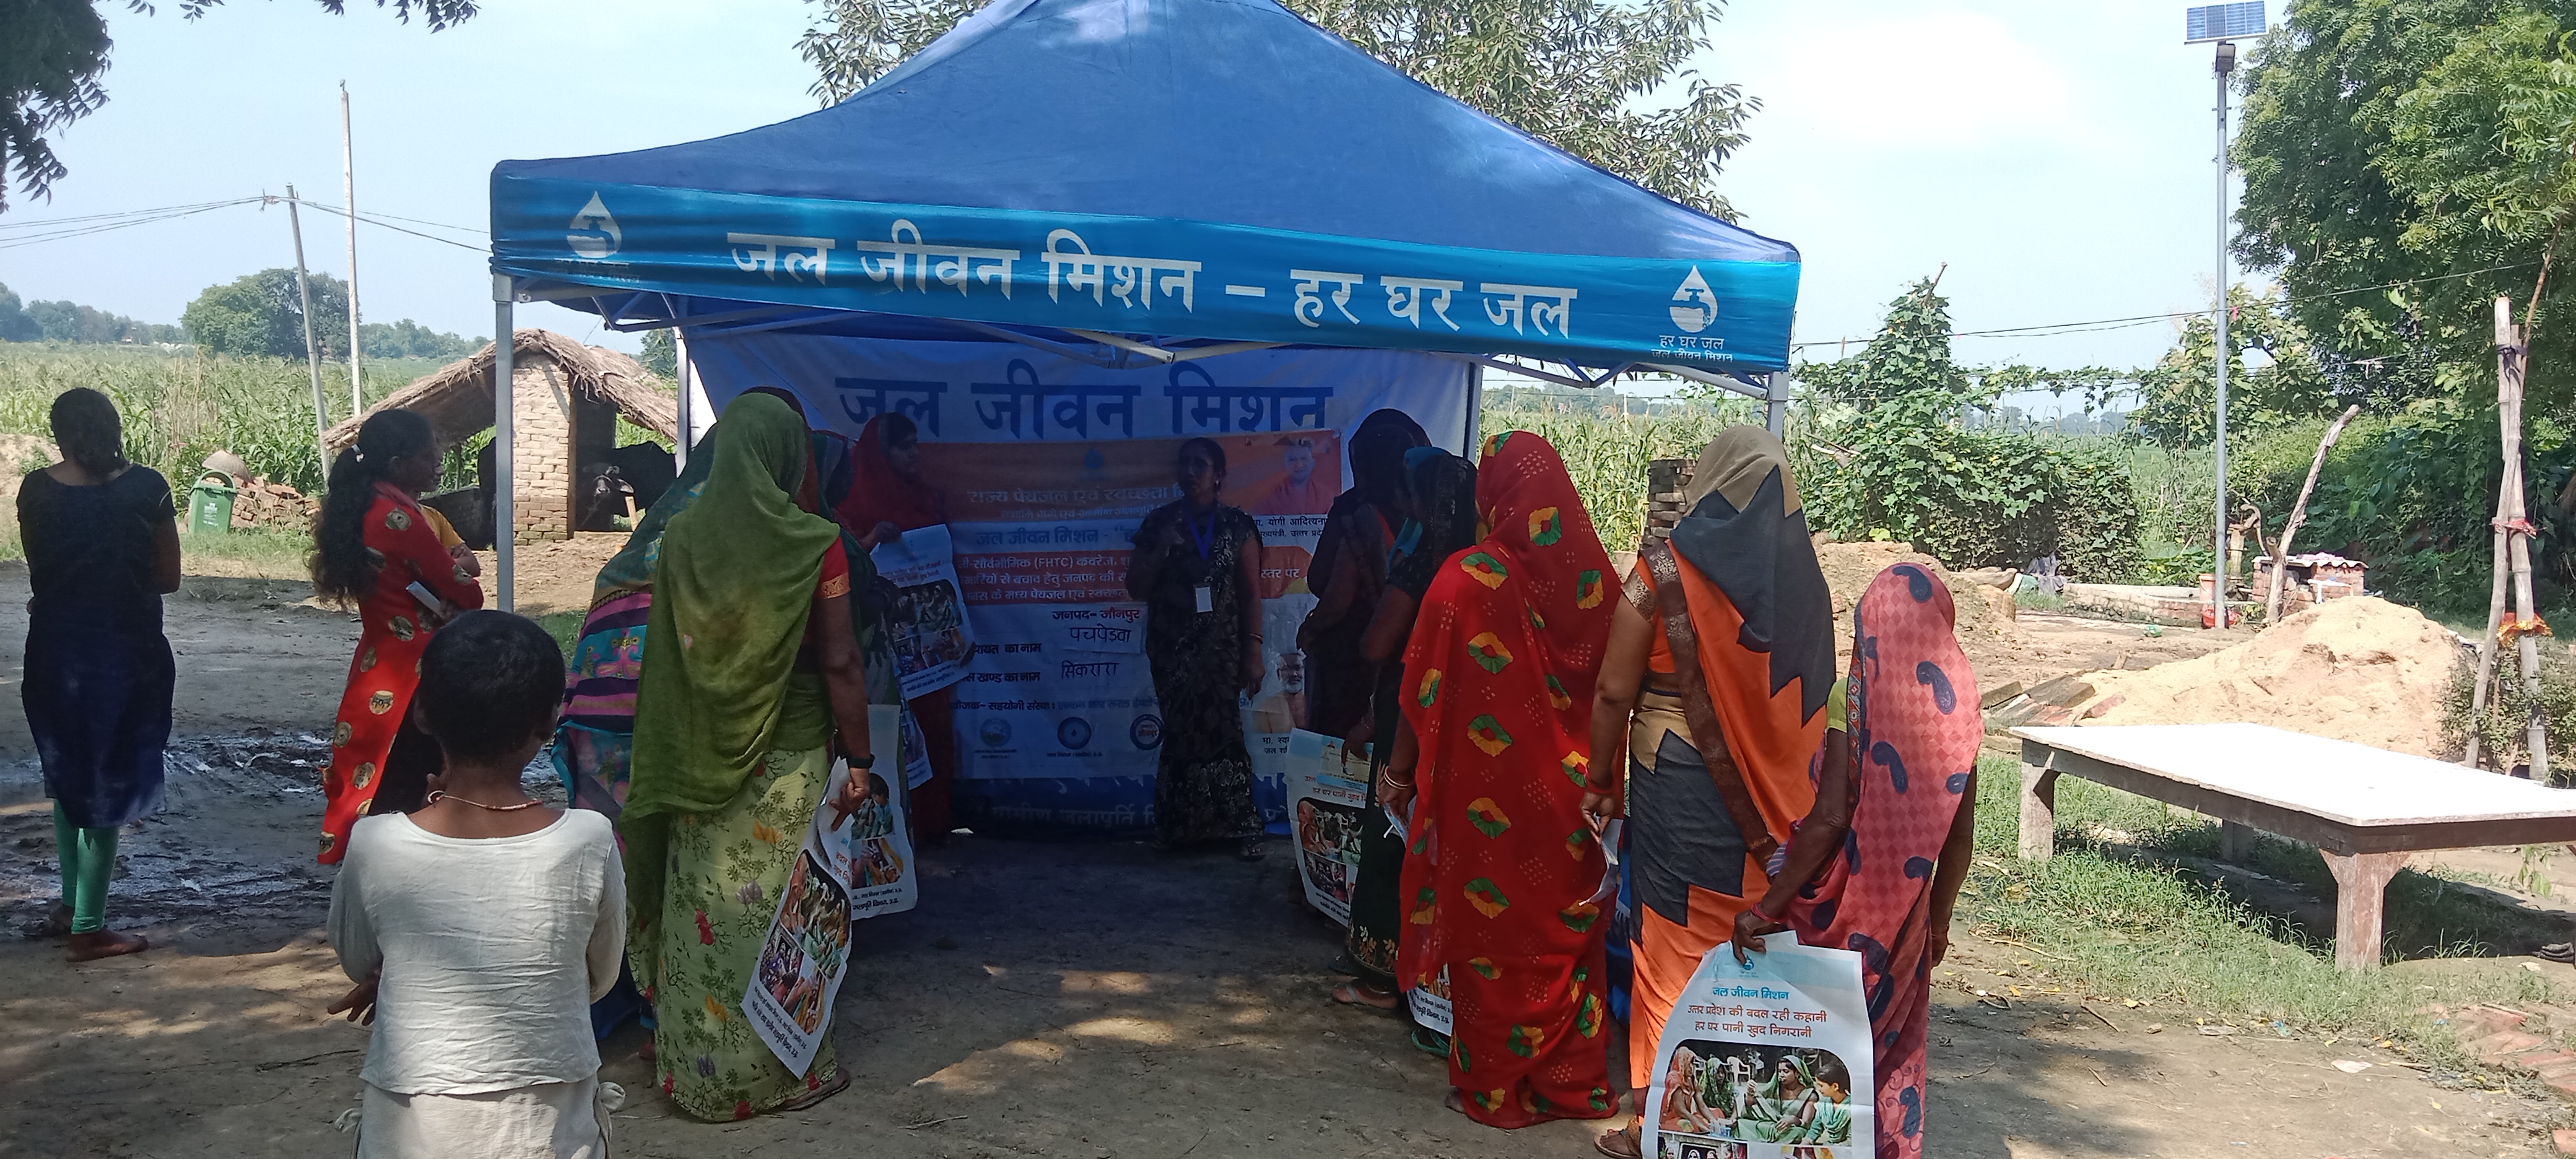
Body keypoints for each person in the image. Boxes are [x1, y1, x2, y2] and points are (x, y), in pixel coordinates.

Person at [1582, 426, 1838, 1159]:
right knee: (1754, 947)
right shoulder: (1806, 587)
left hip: (1680, 786)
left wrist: (1600, 780)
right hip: (1780, 811)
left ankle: (1659, 1124)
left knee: (1673, 944)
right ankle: (1758, 1126)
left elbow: (1612, 691)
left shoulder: (1662, 572)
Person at [620, 392, 876, 1121]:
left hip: (697, 751)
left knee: (703, 905)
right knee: (783, 910)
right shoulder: (815, 543)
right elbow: (841, 661)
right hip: (788, 755)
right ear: (788, 456)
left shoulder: (680, 537)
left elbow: (675, 656)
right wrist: (860, 761)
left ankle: (692, 1068)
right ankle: (780, 1075)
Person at [326, 610, 625, 1158]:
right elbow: (597, 978)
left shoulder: (375, 843)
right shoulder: (588, 839)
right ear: (548, 721)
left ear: (422, 711)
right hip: (547, 1134)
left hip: (411, 1132)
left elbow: (358, 959)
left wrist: (403, 974)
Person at [1385, 430, 1619, 1130]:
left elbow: (1418, 689)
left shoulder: (1464, 578)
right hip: (1577, 800)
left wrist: (1398, 774)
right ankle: (1572, 1086)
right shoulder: (1598, 586)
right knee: (1564, 940)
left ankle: (1492, 1088)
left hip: (1484, 800)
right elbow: (1618, 690)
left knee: (1490, 938)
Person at [1731, 563, 1981, 1159]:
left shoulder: (1855, 695)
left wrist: (1766, 908)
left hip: (1838, 909)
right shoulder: (1960, 711)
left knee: (1817, 1050)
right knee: (1885, 1050)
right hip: (1906, 916)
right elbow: (1959, 839)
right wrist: (1937, 923)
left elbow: (1829, 820)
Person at [20, 388, 179, 961]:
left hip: (54, 652)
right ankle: (89, 928)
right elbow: (168, 578)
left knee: (69, 777)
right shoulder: (148, 488)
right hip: (125, 653)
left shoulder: (35, 490)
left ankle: (72, 906)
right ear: (116, 428)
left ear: (58, 434)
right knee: (108, 784)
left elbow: (43, 574)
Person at [1331, 446, 1474, 1021]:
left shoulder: (1423, 566)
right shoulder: (1484, 561)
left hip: (1412, 713)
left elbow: (1377, 645)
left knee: (1391, 830)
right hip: (1465, 719)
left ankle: (1381, 975)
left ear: (1423, 500)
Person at [313, 409, 487, 864]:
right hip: (419, 670)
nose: (438, 462)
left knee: (375, 775)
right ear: (397, 463)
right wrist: (457, 568)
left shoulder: (361, 507)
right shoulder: (401, 519)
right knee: (416, 775)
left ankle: (367, 864)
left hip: (378, 662)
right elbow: (469, 593)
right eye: (428, 455)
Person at [1125, 437, 1266, 859]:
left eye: (1199, 465)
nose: (1190, 472)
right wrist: (1161, 548)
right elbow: (1136, 588)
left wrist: (1253, 651)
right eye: (1184, 464)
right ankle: (1178, 829)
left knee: (1224, 731)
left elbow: (1251, 594)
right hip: (1172, 653)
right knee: (1181, 734)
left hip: (1221, 652)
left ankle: (1239, 827)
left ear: (1218, 475)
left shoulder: (1238, 526)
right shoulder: (1159, 522)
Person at [835, 412, 957, 841]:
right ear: (880, 451)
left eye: (916, 445)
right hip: (877, 643)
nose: (914, 454)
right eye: (904, 446)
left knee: (933, 729)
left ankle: (933, 823)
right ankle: (894, 833)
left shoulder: (925, 496)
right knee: (889, 734)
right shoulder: (852, 500)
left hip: (926, 647)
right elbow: (841, 568)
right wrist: (872, 538)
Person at [1295, 410, 1428, 737]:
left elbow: (1338, 595)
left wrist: (1311, 628)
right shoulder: (1429, 511)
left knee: (1342, 755)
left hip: (1354, 660)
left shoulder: (1358, 512)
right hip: (1412, 656)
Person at [1251, 435, 1333, 515]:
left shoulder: (1326, 496)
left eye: (1304, 459)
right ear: (1285, 464)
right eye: (1292, 460)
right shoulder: (1268, 498)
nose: (1299, 465)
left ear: (1313, 463)